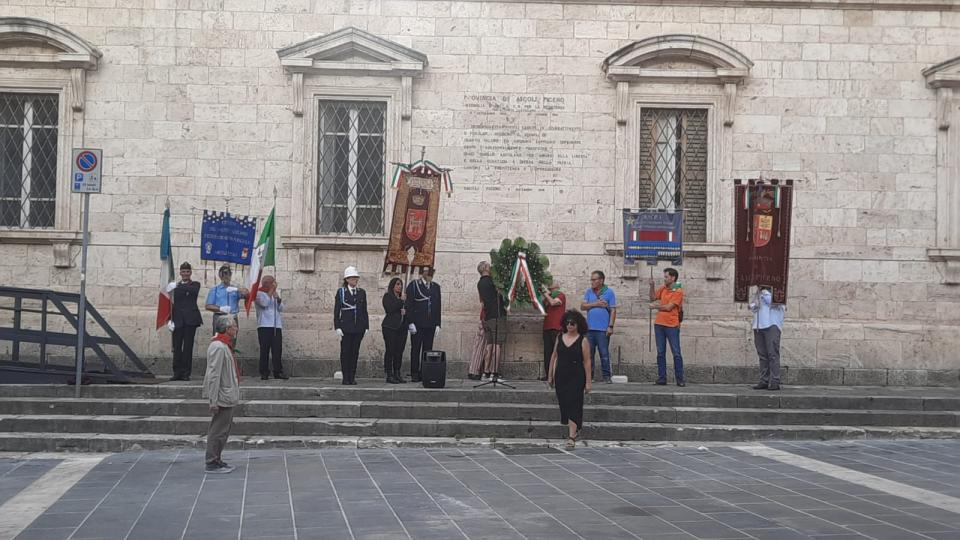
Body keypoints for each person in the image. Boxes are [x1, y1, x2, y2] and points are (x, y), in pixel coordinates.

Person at [548, 309, 592, 449]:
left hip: (577, 375)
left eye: (573, 323)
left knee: (574, 403)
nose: (570, 325)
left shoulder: (583, 340)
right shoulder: (559, 337)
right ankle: (575, 427)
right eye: (567, 323)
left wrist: (588, 381)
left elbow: (587, 361)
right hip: (561, 374)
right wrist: (550, 375)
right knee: (564, 403)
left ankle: (572, 436)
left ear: (578, 325)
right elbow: (554, 356)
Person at [203, 316, 240, 474]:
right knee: (218, 430)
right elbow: (214, 375)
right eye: (234, 326)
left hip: (227, 394)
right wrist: (213, 400)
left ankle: (216, 458)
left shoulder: (224, 345)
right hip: (222, 396)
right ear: (227, 329)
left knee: (223, 430)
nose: (236, 329)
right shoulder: (218, 347)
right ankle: (211, 461)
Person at [649, 267, 685, 387]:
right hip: (659, 324)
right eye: (664, 276)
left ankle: (680, 379)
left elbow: (669, 307)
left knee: (676, 352)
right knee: (660, 352)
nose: (664, 279)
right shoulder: (663, 288)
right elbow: (653, 298)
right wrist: (652, 286)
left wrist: (655, 307)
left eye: (666, 277)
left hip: (672, 325)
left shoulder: (678, 291)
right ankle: (662, 378)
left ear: (673, 278)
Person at [405, 268, 442, 383]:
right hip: (418, 323)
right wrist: (410, 322)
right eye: (427, 272)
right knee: (416, 349)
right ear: (423, 273)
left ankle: (425, 372)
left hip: (430, 324)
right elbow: (409, 304)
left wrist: (438, 323)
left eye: (432, 273)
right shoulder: (414, 285)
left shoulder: (435, 287)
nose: (430, 275)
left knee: (427, 350)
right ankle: (414, 373)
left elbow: (437, 306)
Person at [167, 261, 202, 381]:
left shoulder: (195, 284)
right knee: (176, 347)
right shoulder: (174, 286)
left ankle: (186, 373)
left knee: (188, 347)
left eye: (187, 271)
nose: (185, 273)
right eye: (183, 271)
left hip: (190, 320)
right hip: (177, 320)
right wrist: (169, 319)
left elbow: (193, 291)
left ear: (190, 272)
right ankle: (177, 372)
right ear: (180, 272)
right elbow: (170, 303)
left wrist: (176, 286)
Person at [580, 270, 617, 383]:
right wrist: (595, 304)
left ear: (601, 280)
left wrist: (610, 326)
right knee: (589, 354)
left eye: (594, 279)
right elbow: (582, 306)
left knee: (604, 353)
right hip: (589, 329)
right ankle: (589, 376)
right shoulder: (589, 292)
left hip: (602, 329)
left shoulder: (609, 292)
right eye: (591, 279)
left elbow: (613, 310)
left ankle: (606, 376)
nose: (592, 282)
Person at [334, 266, 368, 385]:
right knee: (345, 352)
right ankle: (346, 377)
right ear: (347, 279)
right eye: (353, 278)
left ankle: (352, 377)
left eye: (356, 277)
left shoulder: (361, 292)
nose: (355, 280)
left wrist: (366, 326)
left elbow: (364, 310)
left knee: (355, 352)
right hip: (346, 328)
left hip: (358, 328)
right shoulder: (341, 292)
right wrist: (337, 326)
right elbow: (337, 310)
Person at [477, 261, 507, 381]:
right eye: (489, 266)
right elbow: (501, 293)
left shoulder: (480, 283)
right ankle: (495, 373)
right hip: (497, 316)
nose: (491, 267)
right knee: (497, 346)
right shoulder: (492, 281)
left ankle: (486, 372)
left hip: (487, 316)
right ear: (484, 268)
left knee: (489, 346)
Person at [750, 286, 784, 391]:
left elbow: (775, 303)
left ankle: (775, 381)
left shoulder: (778, 291)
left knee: (772, 354)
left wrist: (765, 292)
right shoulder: (758, 293)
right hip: (758, 325)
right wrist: (753, 304)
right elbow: (754, 307)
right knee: (762, 355)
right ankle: (764, 380)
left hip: (771, 325)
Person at [255, 275, 287, 381]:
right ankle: (264, 372)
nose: (274, 284)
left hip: (276, 325)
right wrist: (271, 292)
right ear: (265, 283)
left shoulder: (274, 293)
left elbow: (281, 308)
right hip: (264, 325)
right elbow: (264, 303)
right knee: (264, 350)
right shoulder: (258, 293)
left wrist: (278, 299)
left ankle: (278, 371)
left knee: (277, 350)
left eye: (274, 282)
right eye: (271, 282)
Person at [205, 265, 248, 338]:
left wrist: (239, 289)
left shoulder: (235, 289)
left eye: (228, 273)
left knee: (232, 341)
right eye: (223, 274)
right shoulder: (215, 290)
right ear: (220, 275)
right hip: (219, 317)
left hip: (232, 317)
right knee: (219, 339)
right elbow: (208, 306)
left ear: (231, 275)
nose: (226, 276)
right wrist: (221, 308)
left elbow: (247, 295)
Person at [381, 277, 407, 384]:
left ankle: (397, 372)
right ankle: (389, 374)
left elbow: (408, 310)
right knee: (390, 350)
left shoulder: (403, 299)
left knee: (399, 351)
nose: (399, 286)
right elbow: (389, 309)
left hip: (401, 328)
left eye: (400, 284)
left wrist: (405, 312)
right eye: (397, 284)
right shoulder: (388, 296)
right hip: (390, 327)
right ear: (393, 286)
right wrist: (401, 301)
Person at [539, 281, 566, 381]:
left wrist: (545, 294)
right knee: (548, 352)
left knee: (557, 352)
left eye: (552, 282)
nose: (550, 284)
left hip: (557, 327)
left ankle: (557, 374)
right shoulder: (548, 297)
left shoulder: (561, 295)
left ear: (557, 286)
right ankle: (548, 374)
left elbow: (553, 302)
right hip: (547, 327)